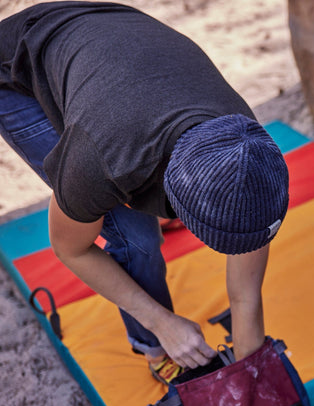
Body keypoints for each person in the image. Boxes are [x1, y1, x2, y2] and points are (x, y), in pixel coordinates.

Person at [0, 2, 290, 383]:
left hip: (114, 40)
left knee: (187, 216)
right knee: (137, 238)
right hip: (17, 71)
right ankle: (154, 348)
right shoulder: (102, 161)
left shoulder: (244, 148)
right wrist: (163, 323)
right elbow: (70, 248)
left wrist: (251, 363)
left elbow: (247, 284)